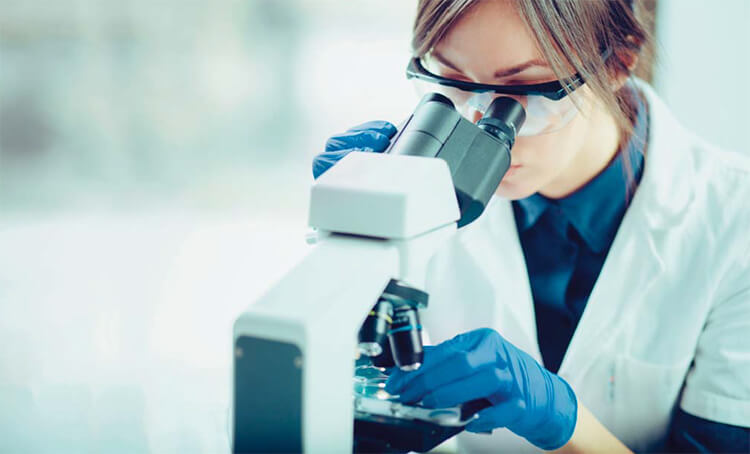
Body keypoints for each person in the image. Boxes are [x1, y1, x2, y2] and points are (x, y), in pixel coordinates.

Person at [313, 0, 750, 452]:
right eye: (453, 82)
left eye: (521, 90)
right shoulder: (423, 181)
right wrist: (347, 234)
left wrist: (568, 424)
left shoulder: (735, 222)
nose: (481, 123)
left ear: (619, 62)